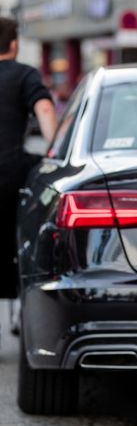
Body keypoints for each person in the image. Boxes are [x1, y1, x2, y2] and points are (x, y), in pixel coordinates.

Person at [0, 16, 57, 298]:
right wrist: (55, 148)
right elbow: (45, 110)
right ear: (14, 44)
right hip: (9, 170)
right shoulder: (24, 74)